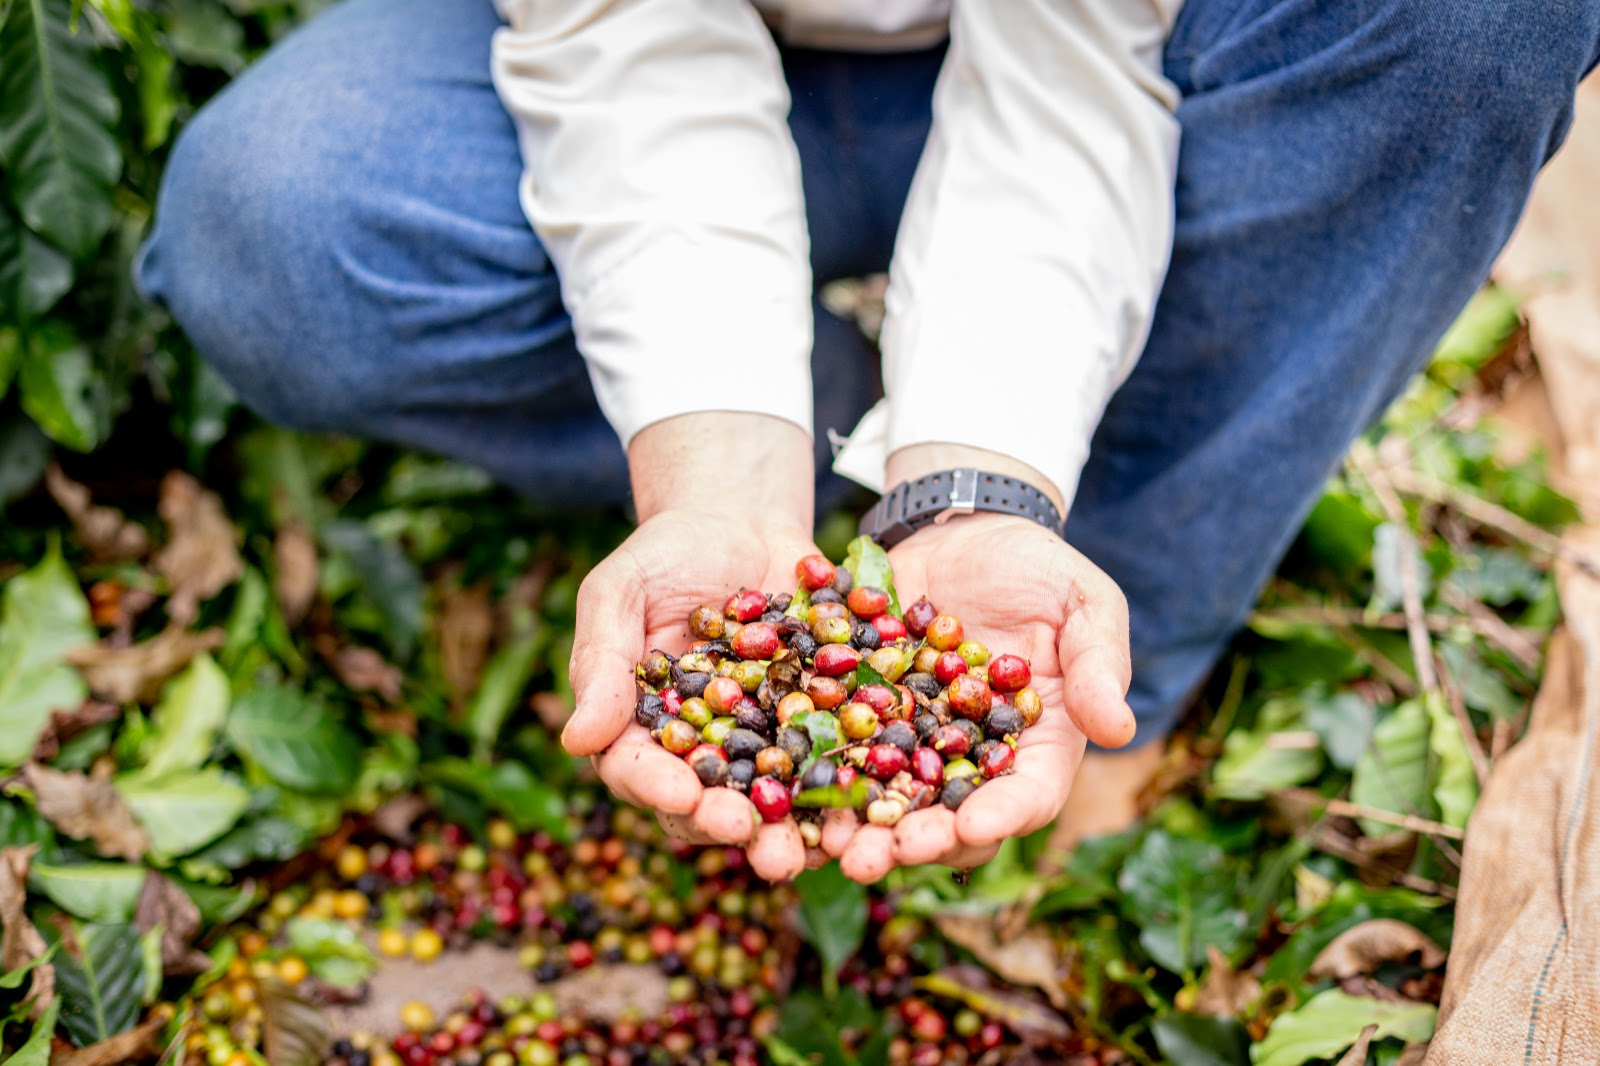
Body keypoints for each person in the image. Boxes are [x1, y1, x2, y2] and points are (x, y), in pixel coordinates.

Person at [136, 0, 1600, 884]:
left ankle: (1111, 625)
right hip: (635, 57)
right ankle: (820, 417)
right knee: (273, 216)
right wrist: (721, 470)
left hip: (1135, 56)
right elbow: (624, 38)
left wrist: (976, 477)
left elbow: (1075, 55)